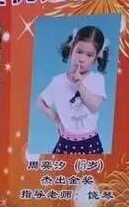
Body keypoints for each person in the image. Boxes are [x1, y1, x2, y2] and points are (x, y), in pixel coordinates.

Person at [38, 25, 109, 155]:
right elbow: (41, 102)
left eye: (89, 55)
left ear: (95, 59)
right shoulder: (58, 81)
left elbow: (94, 107)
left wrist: (80, 84)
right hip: (65, 141)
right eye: (79, 51)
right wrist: (57, 120)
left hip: (90, 143)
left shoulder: (97, 79)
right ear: (71, 50)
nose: (82, 59)